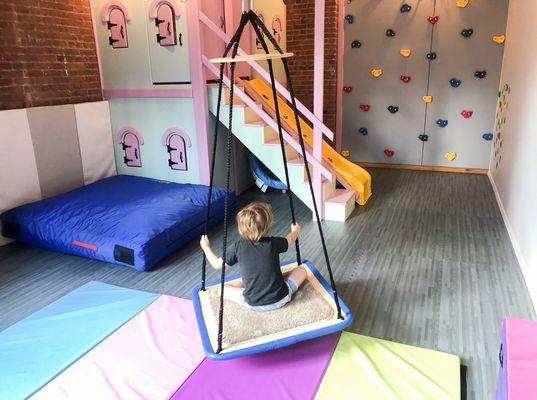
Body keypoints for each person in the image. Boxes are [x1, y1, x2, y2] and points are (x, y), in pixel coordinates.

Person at [200, 202, 306, 311]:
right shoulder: (274, 243)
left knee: (221, 289)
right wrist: (295, 231)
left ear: (241, 229)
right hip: (281, 298)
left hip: (253, 304)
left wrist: (206, 248)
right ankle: (270, 283)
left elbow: (216, 264)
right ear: (268, 225)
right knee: (302, 270)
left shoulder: (237, 247)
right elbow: (291, 239)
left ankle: (250, 284)